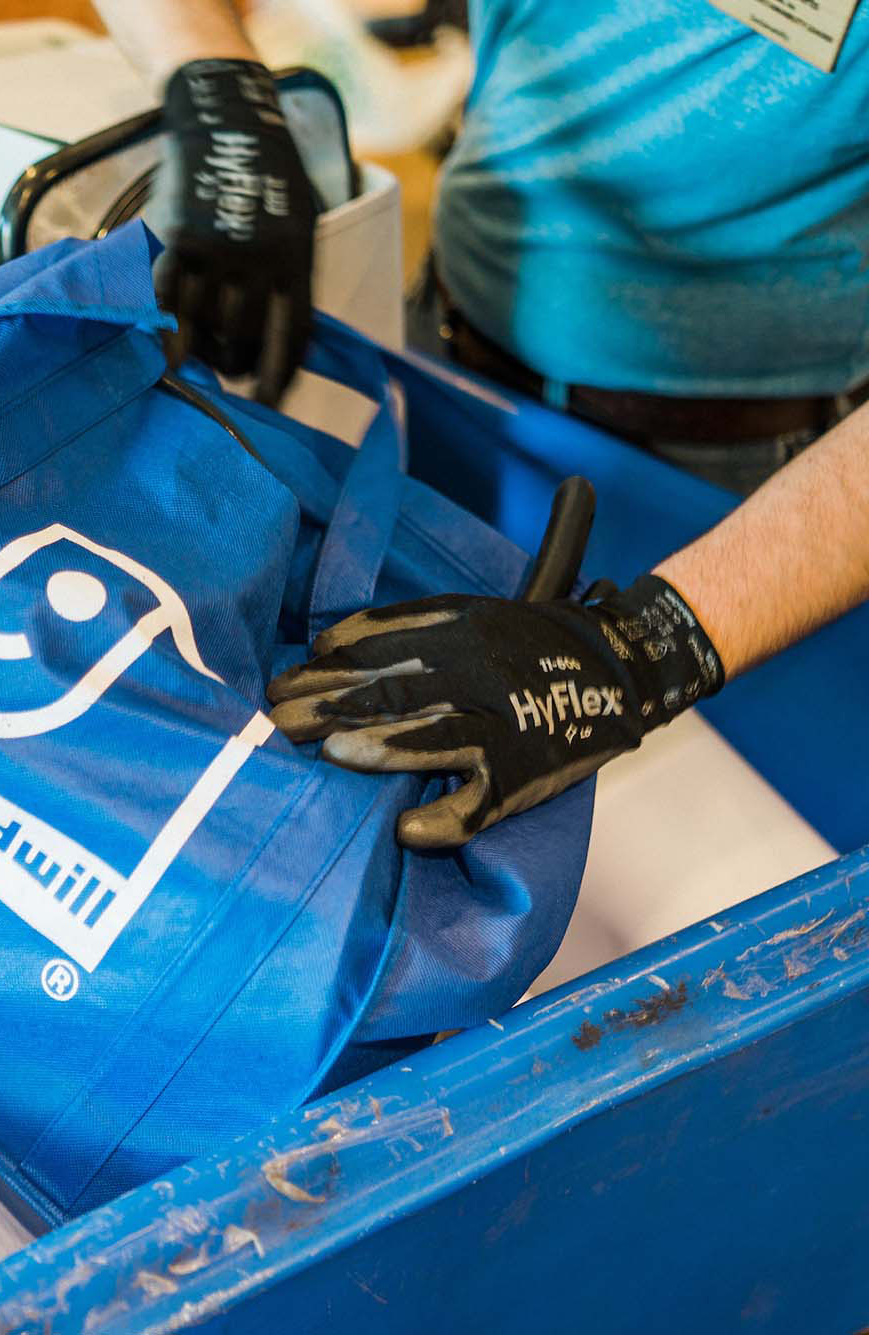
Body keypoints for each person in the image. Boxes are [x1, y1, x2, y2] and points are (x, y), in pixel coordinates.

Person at [92, 0, 869, 847]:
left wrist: (650, 647)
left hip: (751, 504)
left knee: (670, 863)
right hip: (447, 367)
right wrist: (220, 90)